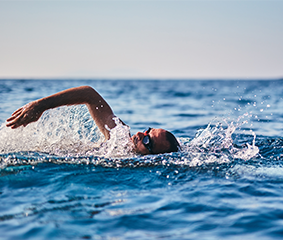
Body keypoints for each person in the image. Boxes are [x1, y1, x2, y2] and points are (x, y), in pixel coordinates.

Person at [6, 86, 180, 155]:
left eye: (148, 141)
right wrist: (40, 106)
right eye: (147, 131)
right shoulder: (118, 136)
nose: (141, 134)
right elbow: (89, 94)